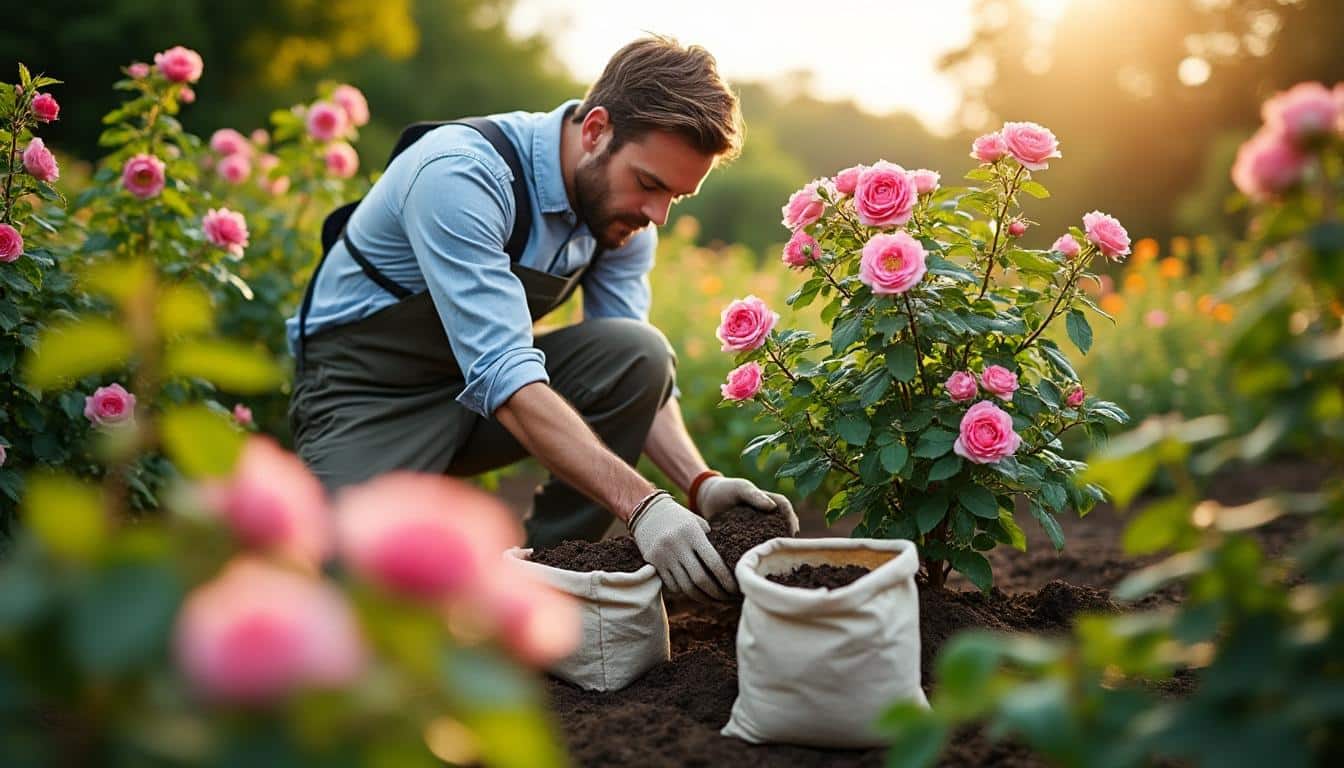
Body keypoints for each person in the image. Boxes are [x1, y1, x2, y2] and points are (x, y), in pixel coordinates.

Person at [286, 36, 797, 603]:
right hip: (365, 395)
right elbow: (504, 374)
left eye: (676, 196)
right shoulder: (462, 173)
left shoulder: (621, 218)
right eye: (650, 184)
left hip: (473, 394)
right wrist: (645, 507)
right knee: (344, 601)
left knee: (639, 351)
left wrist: (700, 485)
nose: (657, 215)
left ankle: (543, 586)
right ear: (596, 130)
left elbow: (637, 374)